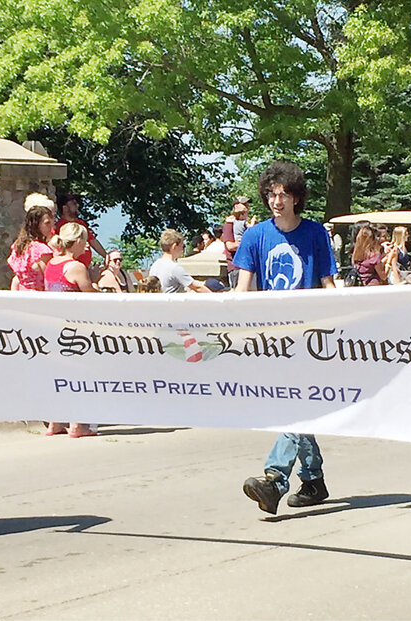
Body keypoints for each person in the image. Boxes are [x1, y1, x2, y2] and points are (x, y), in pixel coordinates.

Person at [234, 160, 337, 514]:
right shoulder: (255, 235)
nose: (277, 201)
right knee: (297, 406)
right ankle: (313, 480)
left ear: (296, 198)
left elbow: (327, 282)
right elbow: (243, 288)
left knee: (297, 405)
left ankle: (275, 479)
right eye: (271, 194)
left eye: (284, 194)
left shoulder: (314, 234)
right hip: (271, 336)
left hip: (308, 334)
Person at [44, 222, 99, 438]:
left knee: (59, 373)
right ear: (77, 242)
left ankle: (55, 422)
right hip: (74, 326)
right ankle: (77, 424)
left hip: (53, 324)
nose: (87, 246)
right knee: (78, 372)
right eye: (85, 241)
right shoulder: (75, 267)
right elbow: (88, 293)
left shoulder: (52, 264)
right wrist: (94, 279)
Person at [8, 204, 55, 291]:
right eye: (47, 223)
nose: (51, 226)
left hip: (21, 293)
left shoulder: (18, 245)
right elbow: (49, 280)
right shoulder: (41, 249)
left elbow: (16, 278)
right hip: (38, 296)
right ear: (36, 224)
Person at [149, 229, 213, 293]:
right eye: (182, 246)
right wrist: (216, 298)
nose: (182, 250)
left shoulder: (155, 265)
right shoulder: (174, 268)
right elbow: (197, 287)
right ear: (174, 246)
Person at [56, 192, 106, 267]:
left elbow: (93, 241)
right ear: (65, 208)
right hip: (72, 267)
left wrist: (107, 256)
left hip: (86, 267)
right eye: (73, 203)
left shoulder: (80, 223)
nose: (77, 205)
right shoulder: (59, 227)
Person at [223, 197, 255, 289]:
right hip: (236, 268)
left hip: (250, 267)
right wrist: (248, 244)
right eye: (244, 205)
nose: (247, 208)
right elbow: (230, 246)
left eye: (247, 205)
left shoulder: (246, 224)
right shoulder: (229, 224)